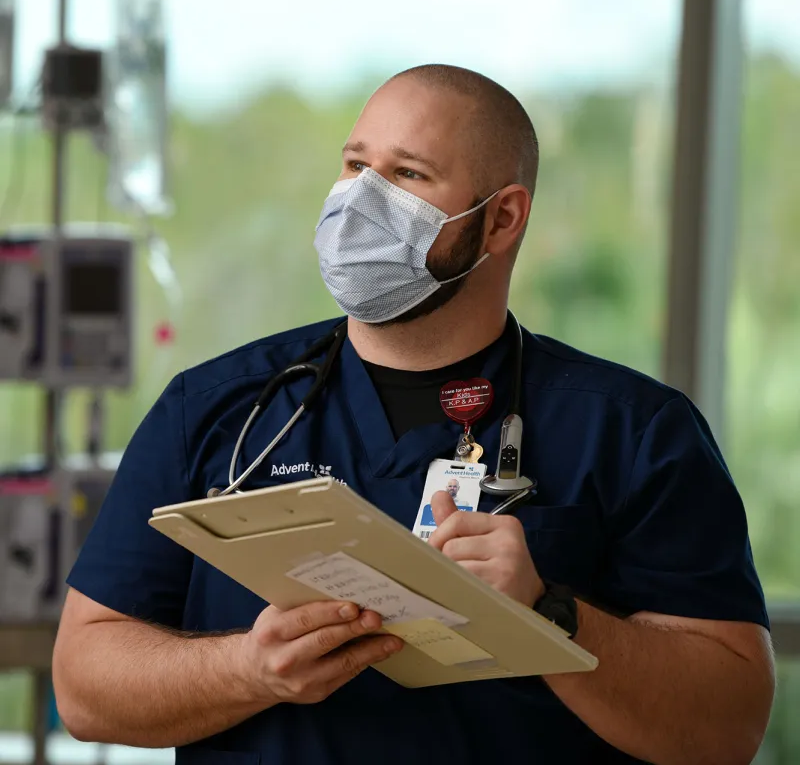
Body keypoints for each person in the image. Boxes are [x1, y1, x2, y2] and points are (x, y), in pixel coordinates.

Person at [52, 64, 775, 765]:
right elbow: (85, 685)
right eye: (354, 164)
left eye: (407, 176)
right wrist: (249, 669)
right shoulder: (215, 409)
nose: (359, 200)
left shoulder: (634, 433)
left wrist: (551, 611)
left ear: (501, 219)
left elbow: (727, 725)